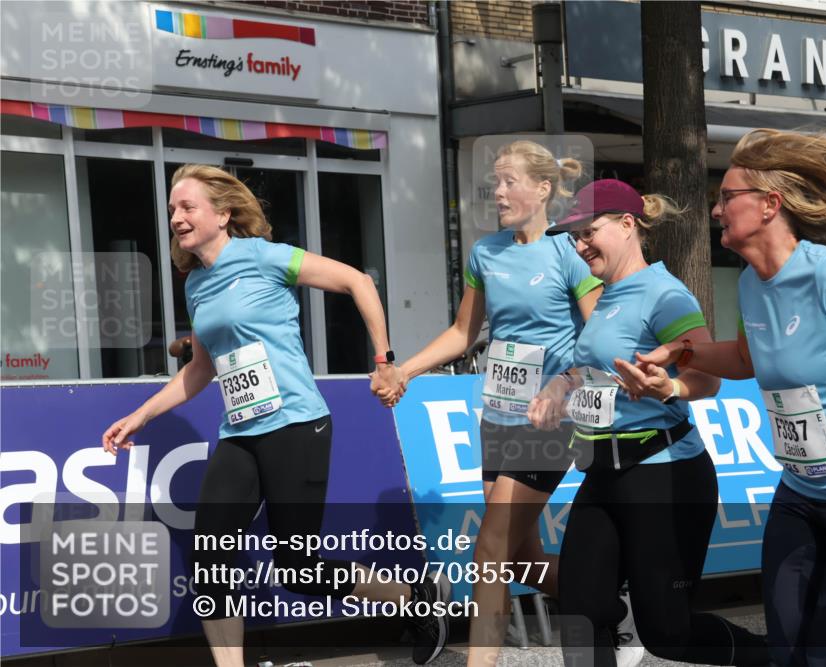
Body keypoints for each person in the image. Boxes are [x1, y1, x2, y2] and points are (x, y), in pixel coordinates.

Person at [103, 165, 448, 667]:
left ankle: (414, 599)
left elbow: (357, 281)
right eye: (172, 209)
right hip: (240, 433)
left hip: (295, 425)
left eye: (188, 206)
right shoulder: (196, 284)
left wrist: (383, 359)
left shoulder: (264, 257)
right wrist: (140, 415)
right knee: (211, 564)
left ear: (222, 214)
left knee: (297, 566)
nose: (176, 217)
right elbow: (201, 369)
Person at [637, 123, 826, 666]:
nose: (716, 211)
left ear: (769, 205)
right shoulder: (753, 284)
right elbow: (744, 360)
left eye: (727, 198)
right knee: (784, 655)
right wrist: (679, 355)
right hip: (800, 498)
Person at [373, 140, 606, 667]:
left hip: (550, 420)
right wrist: (404, 370)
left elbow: (601, 338)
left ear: (542, 188)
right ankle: (604, 612)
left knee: (490, 549)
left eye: (509, 181)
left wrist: (565, 384)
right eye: (494, 183)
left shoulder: (570, 250)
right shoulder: (487, 252)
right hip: (498, 416)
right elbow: (462, 331)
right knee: (520, 559)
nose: (498, 192)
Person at [527, 179, 769, 667]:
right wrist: (562, 384)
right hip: (601, 472)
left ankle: (776, 657)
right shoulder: (607, 295)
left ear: (626, 224)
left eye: (587, 231)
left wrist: (671, 387)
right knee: (580, 609)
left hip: (663, 474)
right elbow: (598, 366)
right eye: (574, 236)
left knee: (667, 633)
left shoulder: (664, 293)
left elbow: (706, 377)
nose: (579, 245)